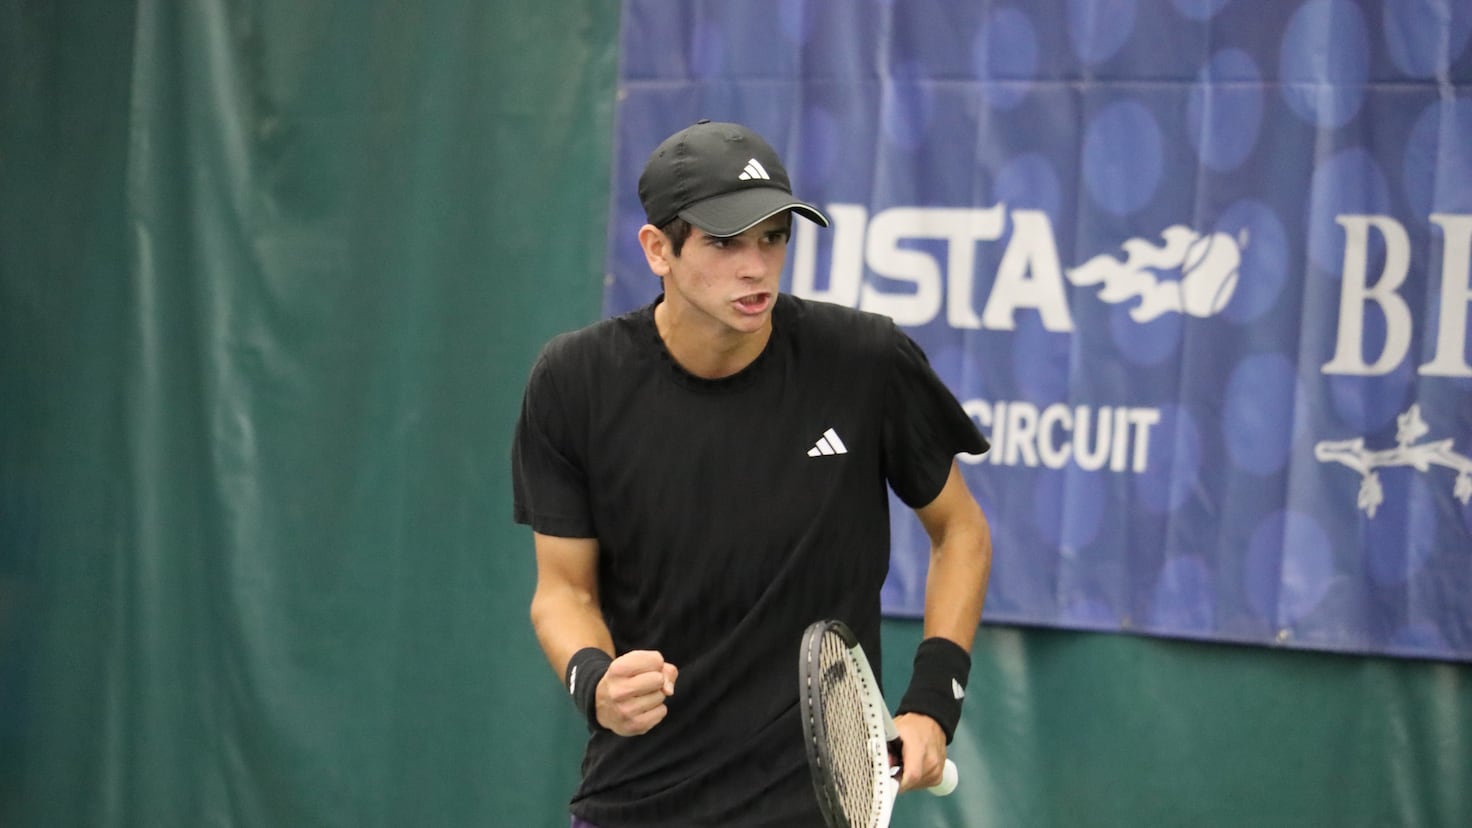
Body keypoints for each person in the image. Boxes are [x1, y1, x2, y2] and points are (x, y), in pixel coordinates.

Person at [512, 119, 992, 828]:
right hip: (638, 802)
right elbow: (562, 591)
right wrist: (596, 678)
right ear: (657, 250)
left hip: (816, 810)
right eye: (725, 241)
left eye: (773, 237)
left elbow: (962, 534)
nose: (757, 266)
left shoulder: (865, 362)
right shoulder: (574, 382)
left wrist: (932, 704)